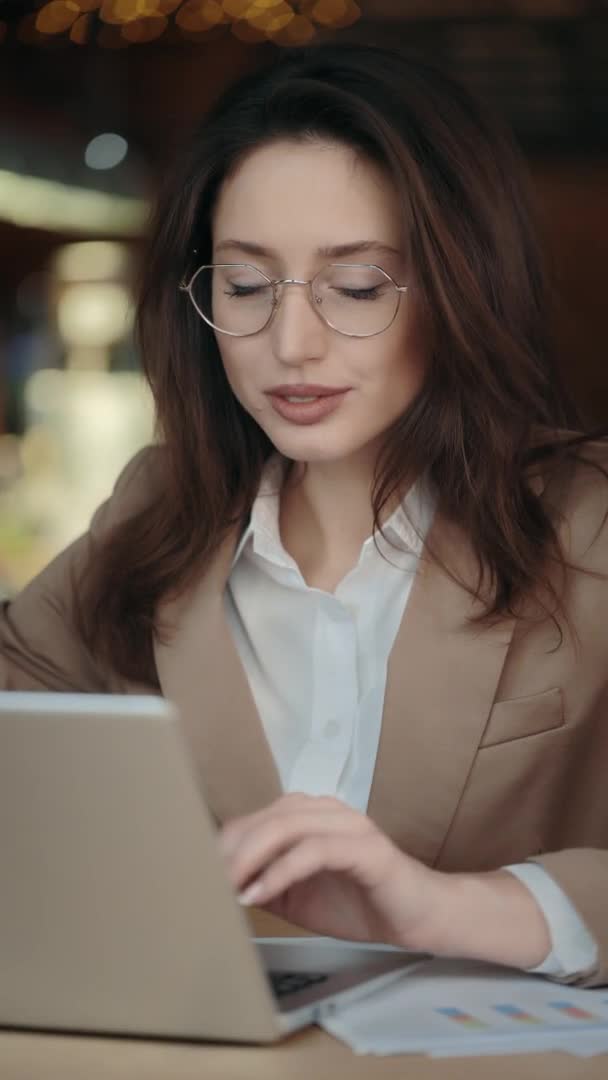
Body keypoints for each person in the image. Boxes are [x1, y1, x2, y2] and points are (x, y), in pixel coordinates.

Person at [1, 42, 607, 988]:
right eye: (245, 286)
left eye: (356, 287)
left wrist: (447, 905)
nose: (290, 343)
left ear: (460, 286)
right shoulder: (155, 516)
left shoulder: (590, 528)